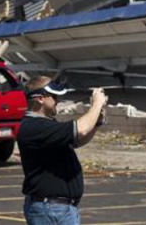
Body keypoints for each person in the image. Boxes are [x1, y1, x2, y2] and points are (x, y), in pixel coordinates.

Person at [17, 76, 107, 224]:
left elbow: (78, 140)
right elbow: (81, 129)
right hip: (50, 210)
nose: (57, 101)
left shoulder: (46, 125)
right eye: (54, 96)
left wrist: (97, 122)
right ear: (40, 99)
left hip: (58, 209)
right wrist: (96, 104)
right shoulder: (33, 127)